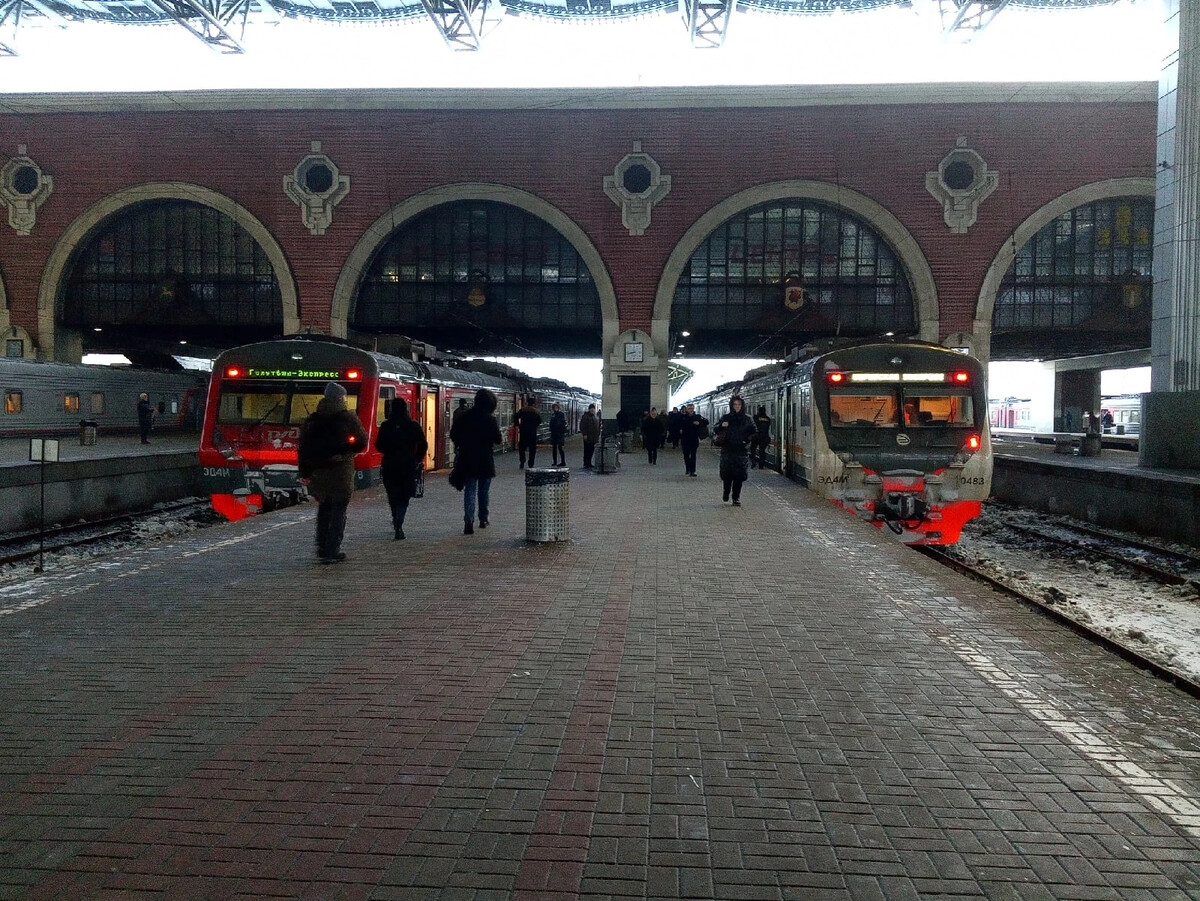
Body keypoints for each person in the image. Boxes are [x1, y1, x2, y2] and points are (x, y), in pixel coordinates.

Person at [298, 381, 369, 563]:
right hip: (340, 471)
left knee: (324, 508)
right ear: (341, 398)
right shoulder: (348, 418)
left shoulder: (312, 420)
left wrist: (304, 472)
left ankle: (321, 547)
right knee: (339, 510)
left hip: (318, 471)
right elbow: (361, 441)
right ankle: (333, 550)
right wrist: (348, 449)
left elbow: (303, 448)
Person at [450, 387, 503, 535]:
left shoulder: (464, 417)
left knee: (470, 491)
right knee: (484, 491)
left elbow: (454, 434)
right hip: (485, 459)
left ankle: (468, 521)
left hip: (468, 459)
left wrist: (461, 444)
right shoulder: (490, 419)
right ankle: (483, 518)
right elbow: (498, 439)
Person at [374, 397, 427, 540]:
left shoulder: (386, 425)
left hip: (389, 464)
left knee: (392, 494)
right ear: (406, 409)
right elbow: (423, 444)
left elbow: (378, 445)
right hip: (408, 465)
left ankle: (395, 516)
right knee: (404, 495)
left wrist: (388, 450)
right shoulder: (413, 425)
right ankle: (399, 523)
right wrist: (417, 459)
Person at [715, 396, 756, 506]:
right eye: (735, 405)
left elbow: (754, 432)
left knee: (738, 476)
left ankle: (736, 497)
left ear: (742, 406)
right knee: (727, 475)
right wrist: (721, 425)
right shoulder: (726, 417)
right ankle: (726, 492)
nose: (737, 407)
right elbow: (716, 429)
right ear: (731, 406)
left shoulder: (748, 419)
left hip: (741, 451)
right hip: (727, 450)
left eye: (739, 405)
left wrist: (745, 441)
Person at [678, 403, 708, 478]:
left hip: (694, 439)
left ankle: (692, 470)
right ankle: (687, 467)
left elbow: (706, 422)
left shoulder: (697, 417)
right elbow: (678, 425)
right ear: (686, 409)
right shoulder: (682, 417)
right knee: (686, 455)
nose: (691, 410)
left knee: (693, 455)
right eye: (689, 408)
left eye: (692, 408)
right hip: (685, 439)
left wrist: (699, 423)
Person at [514, 398, 542, 469]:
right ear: (533, 403)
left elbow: (515, 417)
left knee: (522, 448)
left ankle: (522, 461)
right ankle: (531, 463)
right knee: (532, 449)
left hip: (523, 432)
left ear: (527, 403)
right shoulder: (536, 411)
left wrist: (518, 425)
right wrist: (534, 426)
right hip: (532, 433)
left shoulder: (523, 410)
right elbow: (539, 421)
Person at [579, 403, 600, 469]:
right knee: (587, 450)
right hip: (588, 437)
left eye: (593, 409)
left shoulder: (594, 417)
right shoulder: (585, 417)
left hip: (594, 437)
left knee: (591, 450)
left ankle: (589, 462)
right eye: (591, 409)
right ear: (589, 409)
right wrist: (584, 434)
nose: (592, 410)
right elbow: (582, 426)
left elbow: (597, 426)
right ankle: (586, 463)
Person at [751, 405, 771, 469]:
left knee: (753, 450)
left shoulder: (755, 417)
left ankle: (753, 462)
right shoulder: (768, 419)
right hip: (764, 437)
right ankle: (761, 465)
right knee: (762, 451)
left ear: (759, 411)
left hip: (756, 437)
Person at [548, 402, 567, 466]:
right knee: (554, 448)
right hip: (554, 434)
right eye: (554, 407)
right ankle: (555, 462)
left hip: (559, 434)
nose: (554, 408)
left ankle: (563, 461)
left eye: (556, 407)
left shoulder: (561, 414)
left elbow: (562, 423)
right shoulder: (553, 415)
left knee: (560, 448)